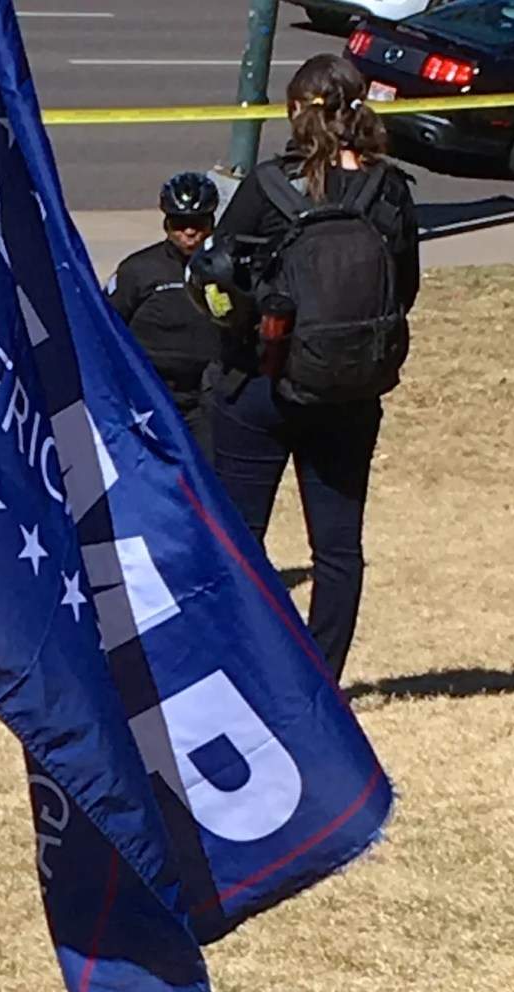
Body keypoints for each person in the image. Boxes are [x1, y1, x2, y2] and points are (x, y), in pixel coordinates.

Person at [207, 54, 420, 682]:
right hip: (349, 389)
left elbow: (217, 273)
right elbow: (404, 289)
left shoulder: (268, 185)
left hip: (261, 381)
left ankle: (245, 667)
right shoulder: (389, 189)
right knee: (338, 548)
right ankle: (321, 681)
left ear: (298, 111)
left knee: (239, 537)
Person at [106, 171, 222, 459]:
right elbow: (104, 327)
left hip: (208, 396)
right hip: (151, 396)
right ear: (166, 223)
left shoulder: (228, 267)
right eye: (179, 224)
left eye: (199, 223)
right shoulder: (138, 270)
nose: (189, 232)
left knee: (211, 475)